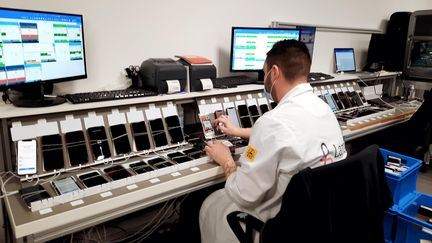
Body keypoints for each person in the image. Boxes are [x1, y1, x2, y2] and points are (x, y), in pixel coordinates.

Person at [199, 39, 347, 243]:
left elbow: (243, 194)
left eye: (264, 72)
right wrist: (237, 130)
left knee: (209, 203)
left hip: (281, 228)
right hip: (321, 222)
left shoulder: (272, 122)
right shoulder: (324, 109)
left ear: (274, 72)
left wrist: (226, 160)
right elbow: (288, 134)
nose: (265, 79)